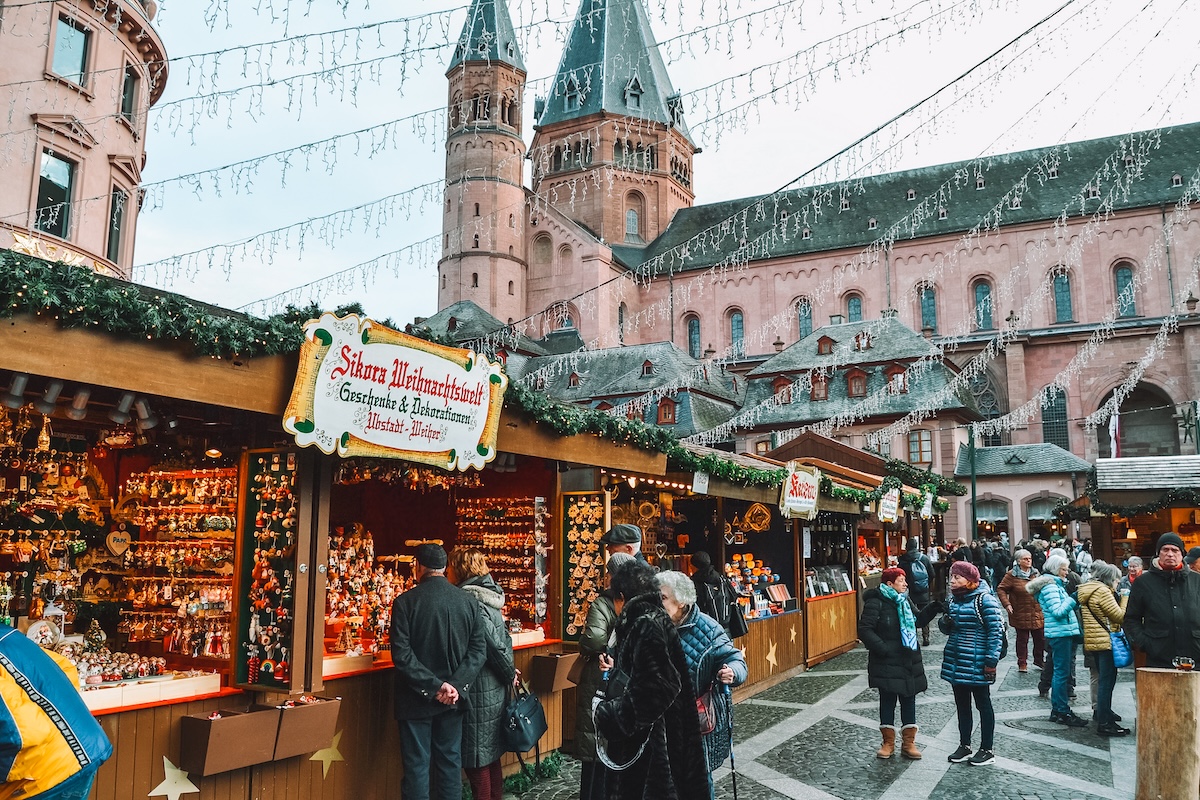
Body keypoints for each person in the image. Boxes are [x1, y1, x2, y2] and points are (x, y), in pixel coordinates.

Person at [592, 559, 708, 799]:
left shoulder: (645, 624)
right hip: (659, 743)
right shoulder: (651, 619)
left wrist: (611, 715)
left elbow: (660, 687)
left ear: (621, 597)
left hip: (654, 752)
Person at [390, 543, 487, 800]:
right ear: (445, 568)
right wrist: (454, 685)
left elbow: (402, 655)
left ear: (418, 567)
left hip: (415, 699)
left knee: (417, 768)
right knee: (449, 765)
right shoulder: (468, 602)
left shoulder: (404, 602)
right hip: (453, 700)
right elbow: (478, 652)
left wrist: (435, 686)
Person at [658, 570, 747, 798]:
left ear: (681, 601)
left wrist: (731, 672)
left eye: (662, 598)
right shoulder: (653, 626)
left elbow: (736, 660)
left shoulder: (708, 630)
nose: (656, 603)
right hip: (658, 723)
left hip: (694, 725)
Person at [0, 623, 112, 800]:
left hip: (45, 773)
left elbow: (17, 732)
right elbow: (65, 667)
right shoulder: (10, 636)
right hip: (82, 746)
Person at [448, 547, 517, 800]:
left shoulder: (472, 601)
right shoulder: (491, 596)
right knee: (489, 756)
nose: (447, 571)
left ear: (460, 569)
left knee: (477, 758)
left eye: (451, 566)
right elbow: (504, 640)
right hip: (492, 687)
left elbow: (491, 644)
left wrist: (509, 672)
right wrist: (509, 671)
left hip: (479, 688)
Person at [859, 567, 942, 761]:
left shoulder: (904, 600)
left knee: (909, 698)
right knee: (887, 699)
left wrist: (933, 608)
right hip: (886, 660)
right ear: (890, 584)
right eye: (901, 580)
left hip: (908, 658)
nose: (905, 584)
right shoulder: (875, 602)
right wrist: (883, 649)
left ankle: (909, 743)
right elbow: (865, 629)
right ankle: (888, 743)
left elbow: (917, 620)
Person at [575, 552, 634, 800]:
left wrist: (582, 643)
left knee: (594, 745)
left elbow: (594, 639)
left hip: (602, 677)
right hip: (624, 677)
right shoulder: (638, 601)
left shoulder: (603, 602)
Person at [941, 560, 1004, 767]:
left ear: (970, 580)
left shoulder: (985, 600)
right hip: (957, 660)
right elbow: (948, 629)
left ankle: (987, 749)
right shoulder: (953, 600)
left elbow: (996, 632)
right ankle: (965, 745)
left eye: (957, 577)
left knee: (983, 704)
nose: (952, 581)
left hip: (978, 661)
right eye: (951, 577)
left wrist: (991, 662)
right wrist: (945, 623)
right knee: (962, 705)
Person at [1027, 554, 1087, 727]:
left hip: (1061, 632)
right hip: (1061, 633)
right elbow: (1058, 612)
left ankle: (1058, 710)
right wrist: (1073, 598)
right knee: (1061, 672)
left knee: (1061, 671)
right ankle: (1062, 710)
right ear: (1055, 569)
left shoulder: (1053, 584)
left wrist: (1074, 602)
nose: (1066, 572)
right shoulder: (1051, 587)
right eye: (1063, 569)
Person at [1124, 532, 1200, 668]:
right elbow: (1131, 618)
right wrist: (1144, 643)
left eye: (1175, 550)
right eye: (1165, 550)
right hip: (1159, 658)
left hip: (1195, 656)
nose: (1170, 554)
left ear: (1182, 554)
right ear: (1158, 553)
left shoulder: (1197, 580)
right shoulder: (1143, 582)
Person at [1076, 560, 1129, 737]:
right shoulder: (1103, 592)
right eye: (1116, 580)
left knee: (1103, 680)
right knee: (1107, 682)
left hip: (1095, 640)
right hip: (1106, 642)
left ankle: (1104, 714)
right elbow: (1119, 616)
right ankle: (1105, 723)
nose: (1117, 584)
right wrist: (1125, 598)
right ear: (1109, 578)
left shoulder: (1087, 589)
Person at [997, 549, 1044, 673]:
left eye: (1029, 558)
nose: (1029, 561)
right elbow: (1001, 589)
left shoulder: (1035, 573)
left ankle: (1039, 660)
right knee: (1022, 640)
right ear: (1018, 561)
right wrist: (1007, 604)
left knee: (1040, 638)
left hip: (1036, 611)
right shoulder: (1011, 575)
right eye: (1025, 559)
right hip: (1020, 611)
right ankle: (1022, 662)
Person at [898, 538, 935, 646]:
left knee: (908, 613)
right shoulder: (924, 558)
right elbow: (932, 574)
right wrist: (925, 584)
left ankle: (911, 637)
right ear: (916, 546)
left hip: (908, 591)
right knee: (924, 612)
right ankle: (926, 636)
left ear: (907, 547)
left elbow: (899, 575)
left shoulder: (902, 560)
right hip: (923, 591)